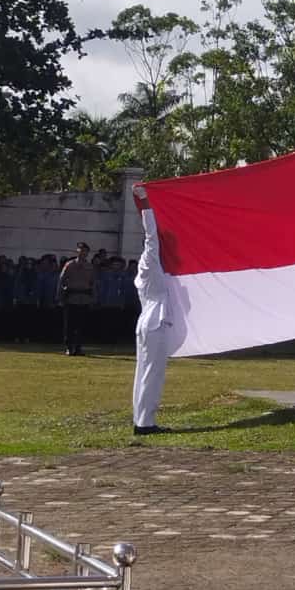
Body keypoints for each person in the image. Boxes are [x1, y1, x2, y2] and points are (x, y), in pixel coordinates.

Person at [131, 185, 174, 434]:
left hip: (147, 320)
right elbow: (152, 235)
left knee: (144, 371)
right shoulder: (150, 260)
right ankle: (146, 423)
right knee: (152, 373)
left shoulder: (143, 269)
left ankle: (141, 419)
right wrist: (146, 203)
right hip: (155, 321)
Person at [57, 242, 95, 356]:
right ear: (77, 251)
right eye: (81, 250)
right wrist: (60, 297)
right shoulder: (70, 265)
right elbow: (61, 280)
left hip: (84, 299)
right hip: (71, 298)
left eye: (85, 251)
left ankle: (78, 347)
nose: (83, 253)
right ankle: (69, 347)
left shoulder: (90, 267)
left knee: (81, 325)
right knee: (70, 325)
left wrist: (93, 298)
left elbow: (93, 283)